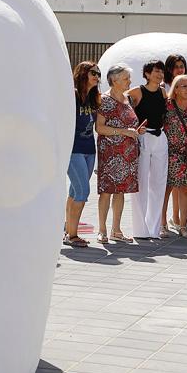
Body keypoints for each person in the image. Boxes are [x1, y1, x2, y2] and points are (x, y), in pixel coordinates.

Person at [96, 64, 143, 243]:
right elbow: (99, 127)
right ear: (114, 80)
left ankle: (116, 230)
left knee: (121, 191)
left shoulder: (128, 99)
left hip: (128, 153)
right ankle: (102, 230)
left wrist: (137, 130)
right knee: (107, 191)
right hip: (110, 153)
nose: (129, 82)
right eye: (125, 78)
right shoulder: (105, 99)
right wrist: (124, 132)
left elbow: (128, 123)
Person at [127, 60, 168, 239]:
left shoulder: (163, 91)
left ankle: (154, 228)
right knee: (141, 182)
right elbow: (118, 101)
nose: (159, 75)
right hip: (143, 138)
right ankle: (140, 229)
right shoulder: (137, 91)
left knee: (159, 184)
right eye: (156, 71)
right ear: (147, 73)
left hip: (160, 137)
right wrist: (134, 127)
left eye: (161, 71)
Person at [64, 61, 100, 248]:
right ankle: (72, 235)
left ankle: (67, 227)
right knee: (82, 191)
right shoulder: (73, 96)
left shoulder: (94, 97)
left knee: (74, 191)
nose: (97, 76)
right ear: (83, 73)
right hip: (73, 149)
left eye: (98, 74)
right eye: (93, 72)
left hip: (89, 150)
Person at [166, 75, 187, 237]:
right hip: (169, 154)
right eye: (184, 86)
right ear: (176, 89)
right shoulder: (168, 106)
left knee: (186, 190)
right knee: (166, 189)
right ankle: (161, 223)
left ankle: (183, 225)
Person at [160, 53, 187, 235]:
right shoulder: (163, 88)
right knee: (167, 186)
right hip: (165, 142)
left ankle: (177, 219)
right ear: (169, 69)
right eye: (176, 66)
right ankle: (162, 222)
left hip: (183, 145)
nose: (180, 69)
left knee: (182, 186)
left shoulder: (186, 86)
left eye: (182, 66)